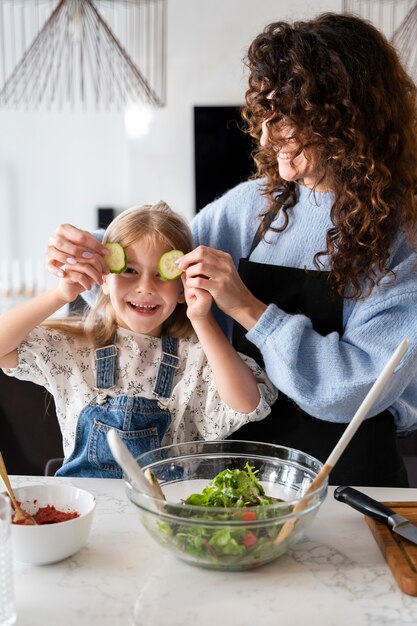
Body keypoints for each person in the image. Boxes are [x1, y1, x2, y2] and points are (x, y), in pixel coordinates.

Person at [45, 13, 417, 486]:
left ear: (341, 119)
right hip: (241, 471)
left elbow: (353, 390)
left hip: (350, 475)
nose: (264, 139)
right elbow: (162, 265)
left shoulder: (403, 238)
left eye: (284, 121)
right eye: (264, 118)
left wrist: (248, 309)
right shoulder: (250, 209)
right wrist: (89, 252)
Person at [0, 202, 277, 478]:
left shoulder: (197, 358)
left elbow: (247, 403)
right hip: (89, 514)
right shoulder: (75, 348)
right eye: (129, 270)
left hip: (163, 516)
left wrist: (201, 318)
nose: (145, 287)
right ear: (104, 279)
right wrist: (60, 295)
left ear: (183, 287)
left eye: (161, 274)